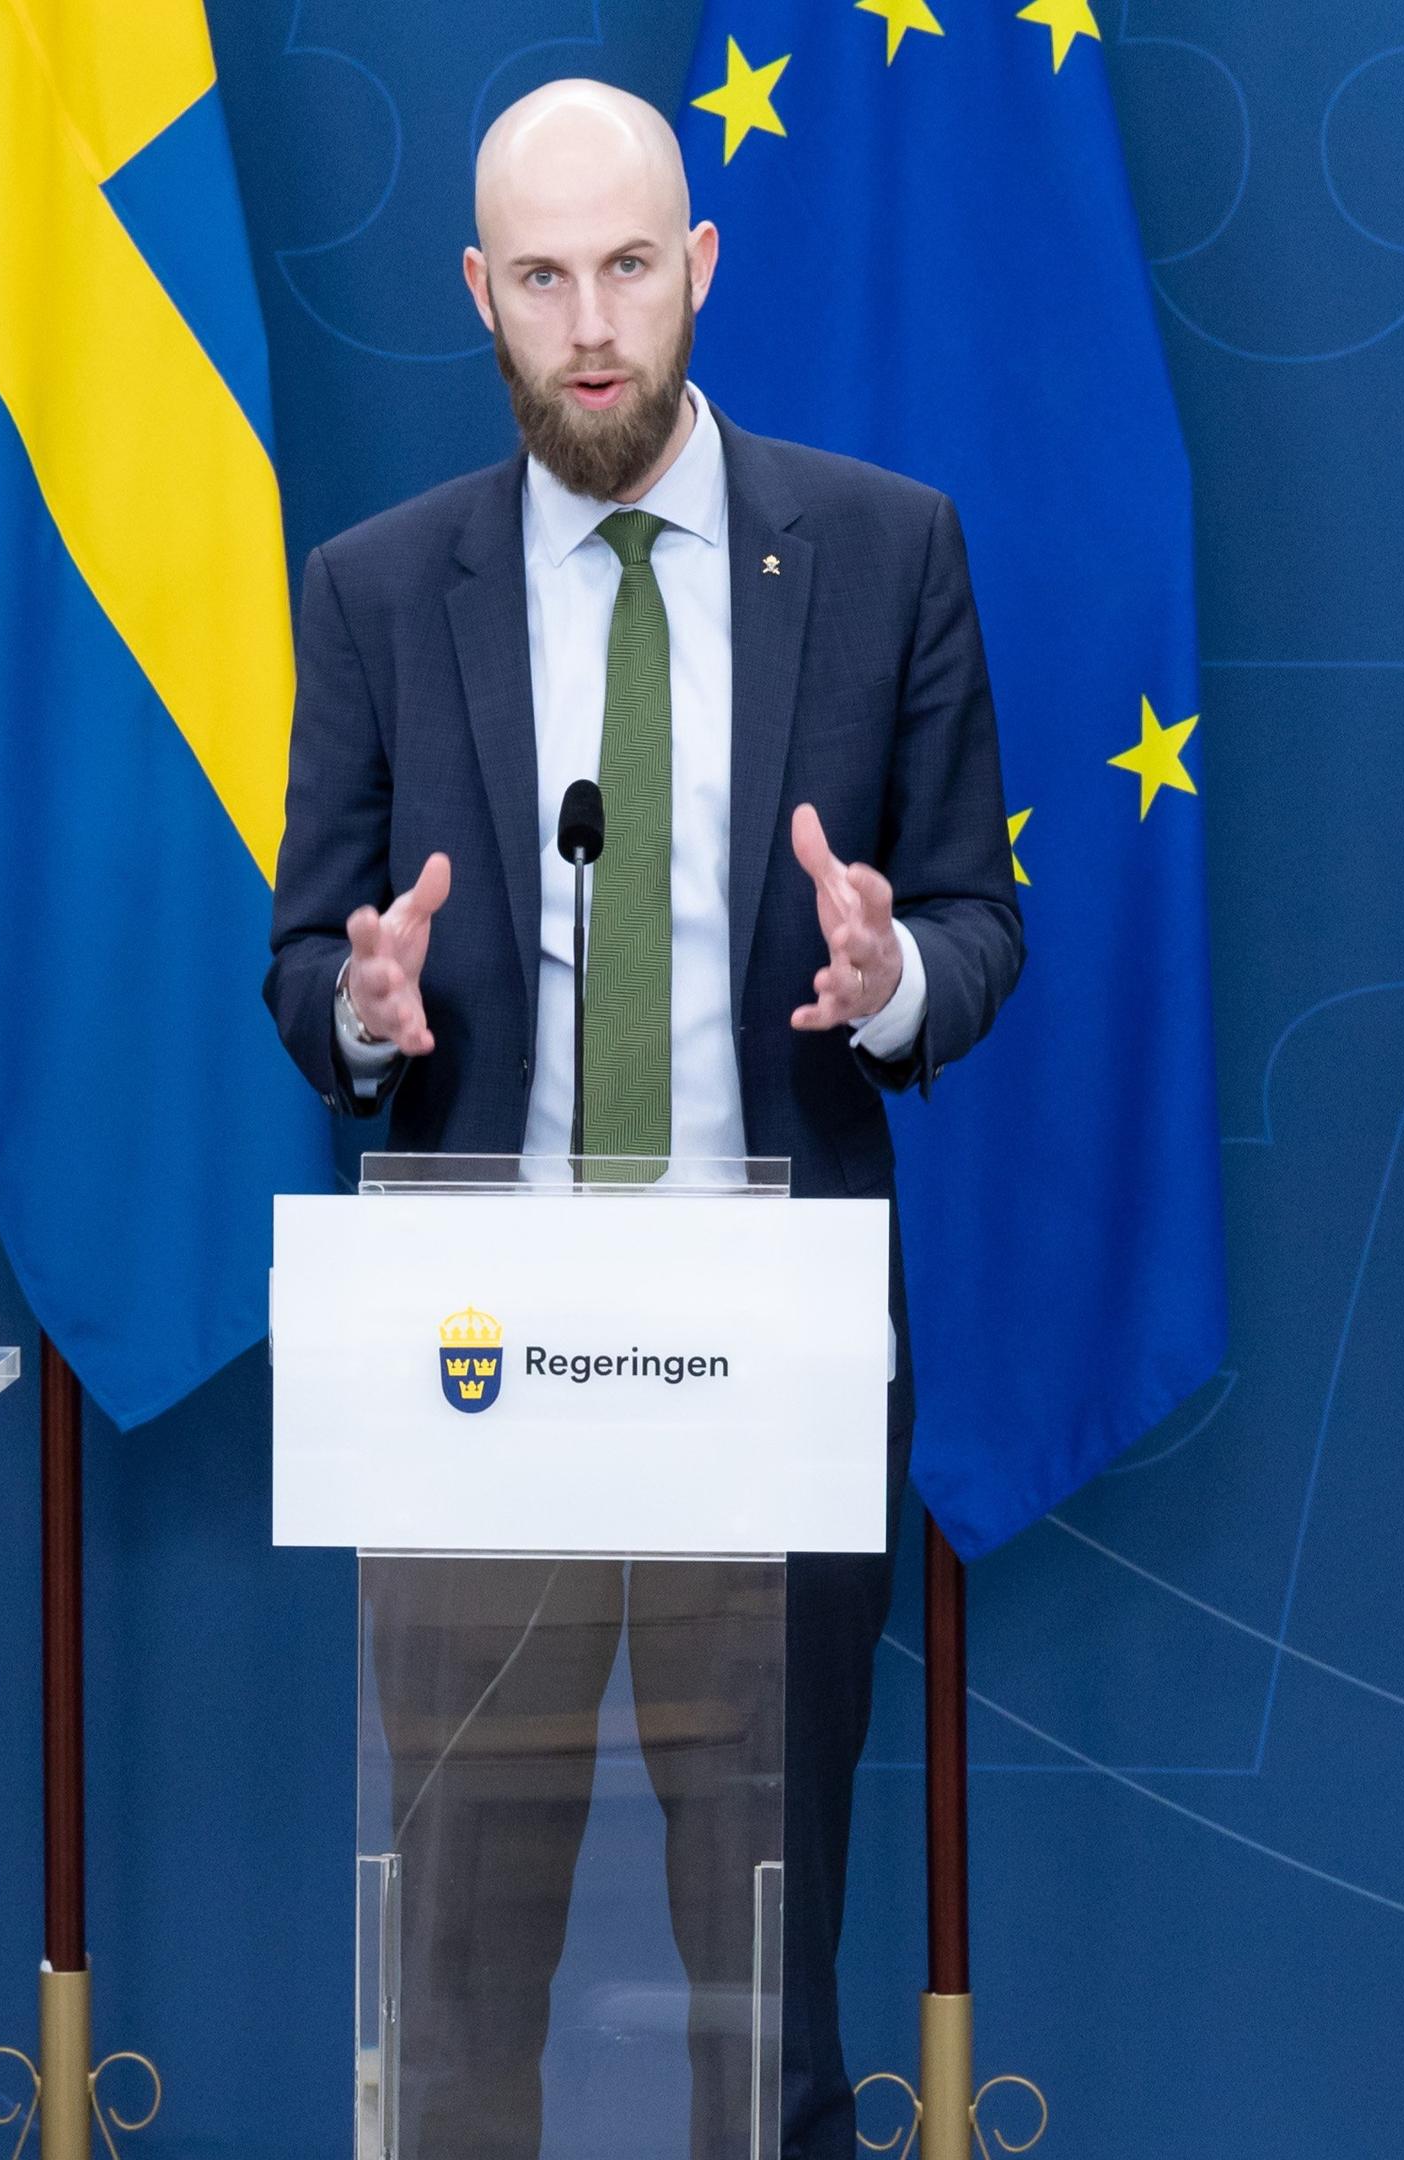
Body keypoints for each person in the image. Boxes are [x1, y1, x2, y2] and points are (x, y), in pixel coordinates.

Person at [263, 81, 1023, 2160]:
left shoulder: (881, 554)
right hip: (475, 1380)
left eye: (625, 269)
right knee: (466, 1995)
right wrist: (362, 1007)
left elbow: (975, 918)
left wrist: (893, 987)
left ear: (697, 272)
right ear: (479, 299)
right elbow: (305, 966)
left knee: (755, 1998)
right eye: (539, 279)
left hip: (764, 1364)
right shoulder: (377, 587)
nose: (589, 325)